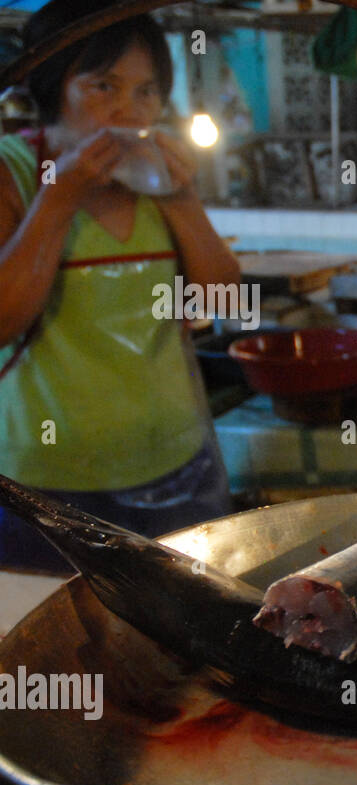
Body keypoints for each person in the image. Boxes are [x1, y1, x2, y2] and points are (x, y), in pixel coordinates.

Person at [0, 0, 240, 572]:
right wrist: (60, 196)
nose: (130, 111)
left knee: (182, 646)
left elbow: (223, 303)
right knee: (62, 642)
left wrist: (182, 199)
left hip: (179, 468)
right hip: (46, 483)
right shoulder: (12, 169)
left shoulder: (159, 177)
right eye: (104, 86)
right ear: (56, 85)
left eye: (147, 91)